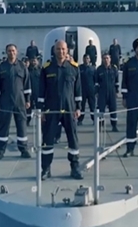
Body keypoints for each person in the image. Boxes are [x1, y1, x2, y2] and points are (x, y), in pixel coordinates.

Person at [38, 40, 82, 180]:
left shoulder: (74, 68)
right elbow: (41, 90)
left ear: (67, 50)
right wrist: (41, 110)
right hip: (51, 109)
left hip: (69, 109)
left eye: (63, 49)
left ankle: (75, 168)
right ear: (54, 50)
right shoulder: (47, 68)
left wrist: (78, 107)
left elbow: (78, 90)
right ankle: (46, 169)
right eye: (58, 49)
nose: (61, 51)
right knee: (48, 139)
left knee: (73, 139)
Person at [0, 44, 32, 159]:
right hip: (5, 101)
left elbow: (27, 85)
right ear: (6, 52)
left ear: (17, 52)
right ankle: (0, 151)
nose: (11, 53)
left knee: (22, 126)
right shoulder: (1, 67)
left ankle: (24, 149)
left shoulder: (22, 66)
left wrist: (28, 100)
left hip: (20, 101)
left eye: (13, 51)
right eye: (9, 51)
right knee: (3, 127)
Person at [95, 52, 119, 132]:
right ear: (102, 59)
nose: (106, 60)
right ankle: (100, 126)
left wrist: (117, 91)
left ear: (110, 59)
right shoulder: (99, 69)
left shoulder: (114, 69)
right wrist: (97, 92)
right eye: (104, 58)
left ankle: (114, 126)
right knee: (101, 109)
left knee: (113, 109)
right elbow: (96, 82)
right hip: (102, 92)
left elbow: (117, 81)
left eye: (107, 58)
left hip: (112, 92)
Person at [77, 54, 96, 125]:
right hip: (82, 90)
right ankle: (80, 120)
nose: (86, 60)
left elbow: (95, 80)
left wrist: (95, 90)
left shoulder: (93, 68)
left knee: (92, 106)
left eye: (88, 58)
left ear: (90, 59)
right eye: (85, 58)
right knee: (82, 106)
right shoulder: (79, 68)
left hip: (91, 90)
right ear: (83, 59)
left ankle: (94, 119)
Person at [27, 57, 40, 124]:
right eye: (32, 61)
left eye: (35, 61)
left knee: (39, 107)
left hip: (38, 91)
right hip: (30, 92)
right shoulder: (27, 70)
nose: (34, 62)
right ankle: (27, 120)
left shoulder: (40, 70)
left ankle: (40, 121)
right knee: (29, 107)